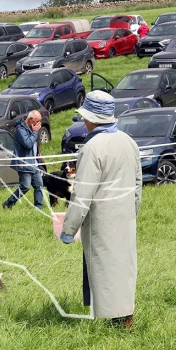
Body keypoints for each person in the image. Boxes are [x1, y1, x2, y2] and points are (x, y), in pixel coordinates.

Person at [60, 90, 142, 331]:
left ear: (91, 119)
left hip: (101, 220)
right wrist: (132, 212)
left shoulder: (92, 148)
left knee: (104, 269)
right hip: (125, 218)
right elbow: (138, 185)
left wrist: (69, 229)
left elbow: (82, 194)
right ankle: (125, 319)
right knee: (123, 268)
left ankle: (111, 324)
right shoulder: (129, 141)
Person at [3, 110, 45, 210]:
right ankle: (8, 203)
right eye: (37, 121)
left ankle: (38, 207)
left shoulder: (32, 128)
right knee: (25, 186)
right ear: (30, 120)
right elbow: (28, 144)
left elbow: (34, 143)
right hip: (24, 164)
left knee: (39, 185)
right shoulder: (20, 129)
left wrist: (38, 153)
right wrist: (35, 132)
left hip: (34, 163)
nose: (39, 124)